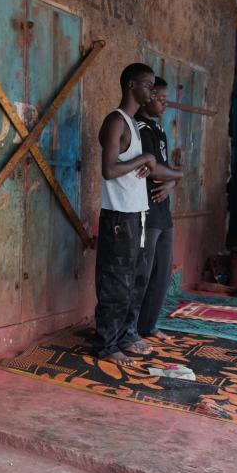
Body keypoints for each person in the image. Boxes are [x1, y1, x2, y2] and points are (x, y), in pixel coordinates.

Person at [93, 63, 159, 366]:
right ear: (131, 85)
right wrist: (143, 159)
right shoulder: (115, 121)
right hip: (119, 217)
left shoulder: (133, 123)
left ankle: (126, 335)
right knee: (116, 283)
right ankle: (106, 344)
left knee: (137, 279)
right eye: (148, 84)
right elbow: (108, 170)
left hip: (138, 214)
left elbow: (133, 166)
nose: (152, 91)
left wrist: (144, 163)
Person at [127, 77, 183, 342]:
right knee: (142, 273)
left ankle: (148, 326)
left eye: (165, 97)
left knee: (162, 272)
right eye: (159, 97)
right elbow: (152, 170)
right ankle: (131, 329)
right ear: (147, 97)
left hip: (163, 211)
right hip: (146, 210)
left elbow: (164, 170)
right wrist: (177, 175)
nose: (165, 102)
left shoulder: (158, 130)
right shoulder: (139, 128)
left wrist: (172, 181)